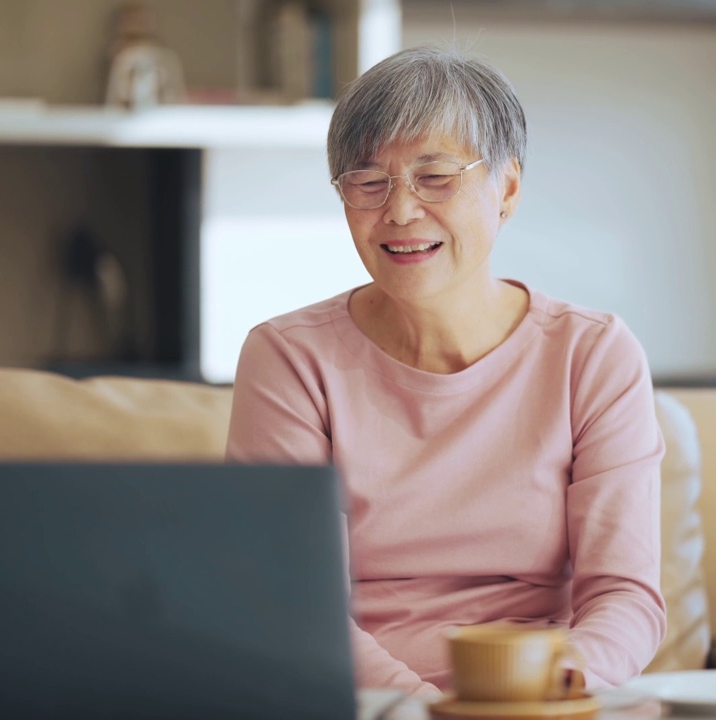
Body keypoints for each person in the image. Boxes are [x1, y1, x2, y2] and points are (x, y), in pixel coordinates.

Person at [225, 46, 665, 695]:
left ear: (507, 188)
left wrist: (545, 694)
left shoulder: (591, 354)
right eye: (369, 182)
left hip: (544, 697)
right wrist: (425, 712)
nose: (400, 212)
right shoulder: (289, 359)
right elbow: (291, 602)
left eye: (436, 178)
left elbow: (626, 597)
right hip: (359, 699)